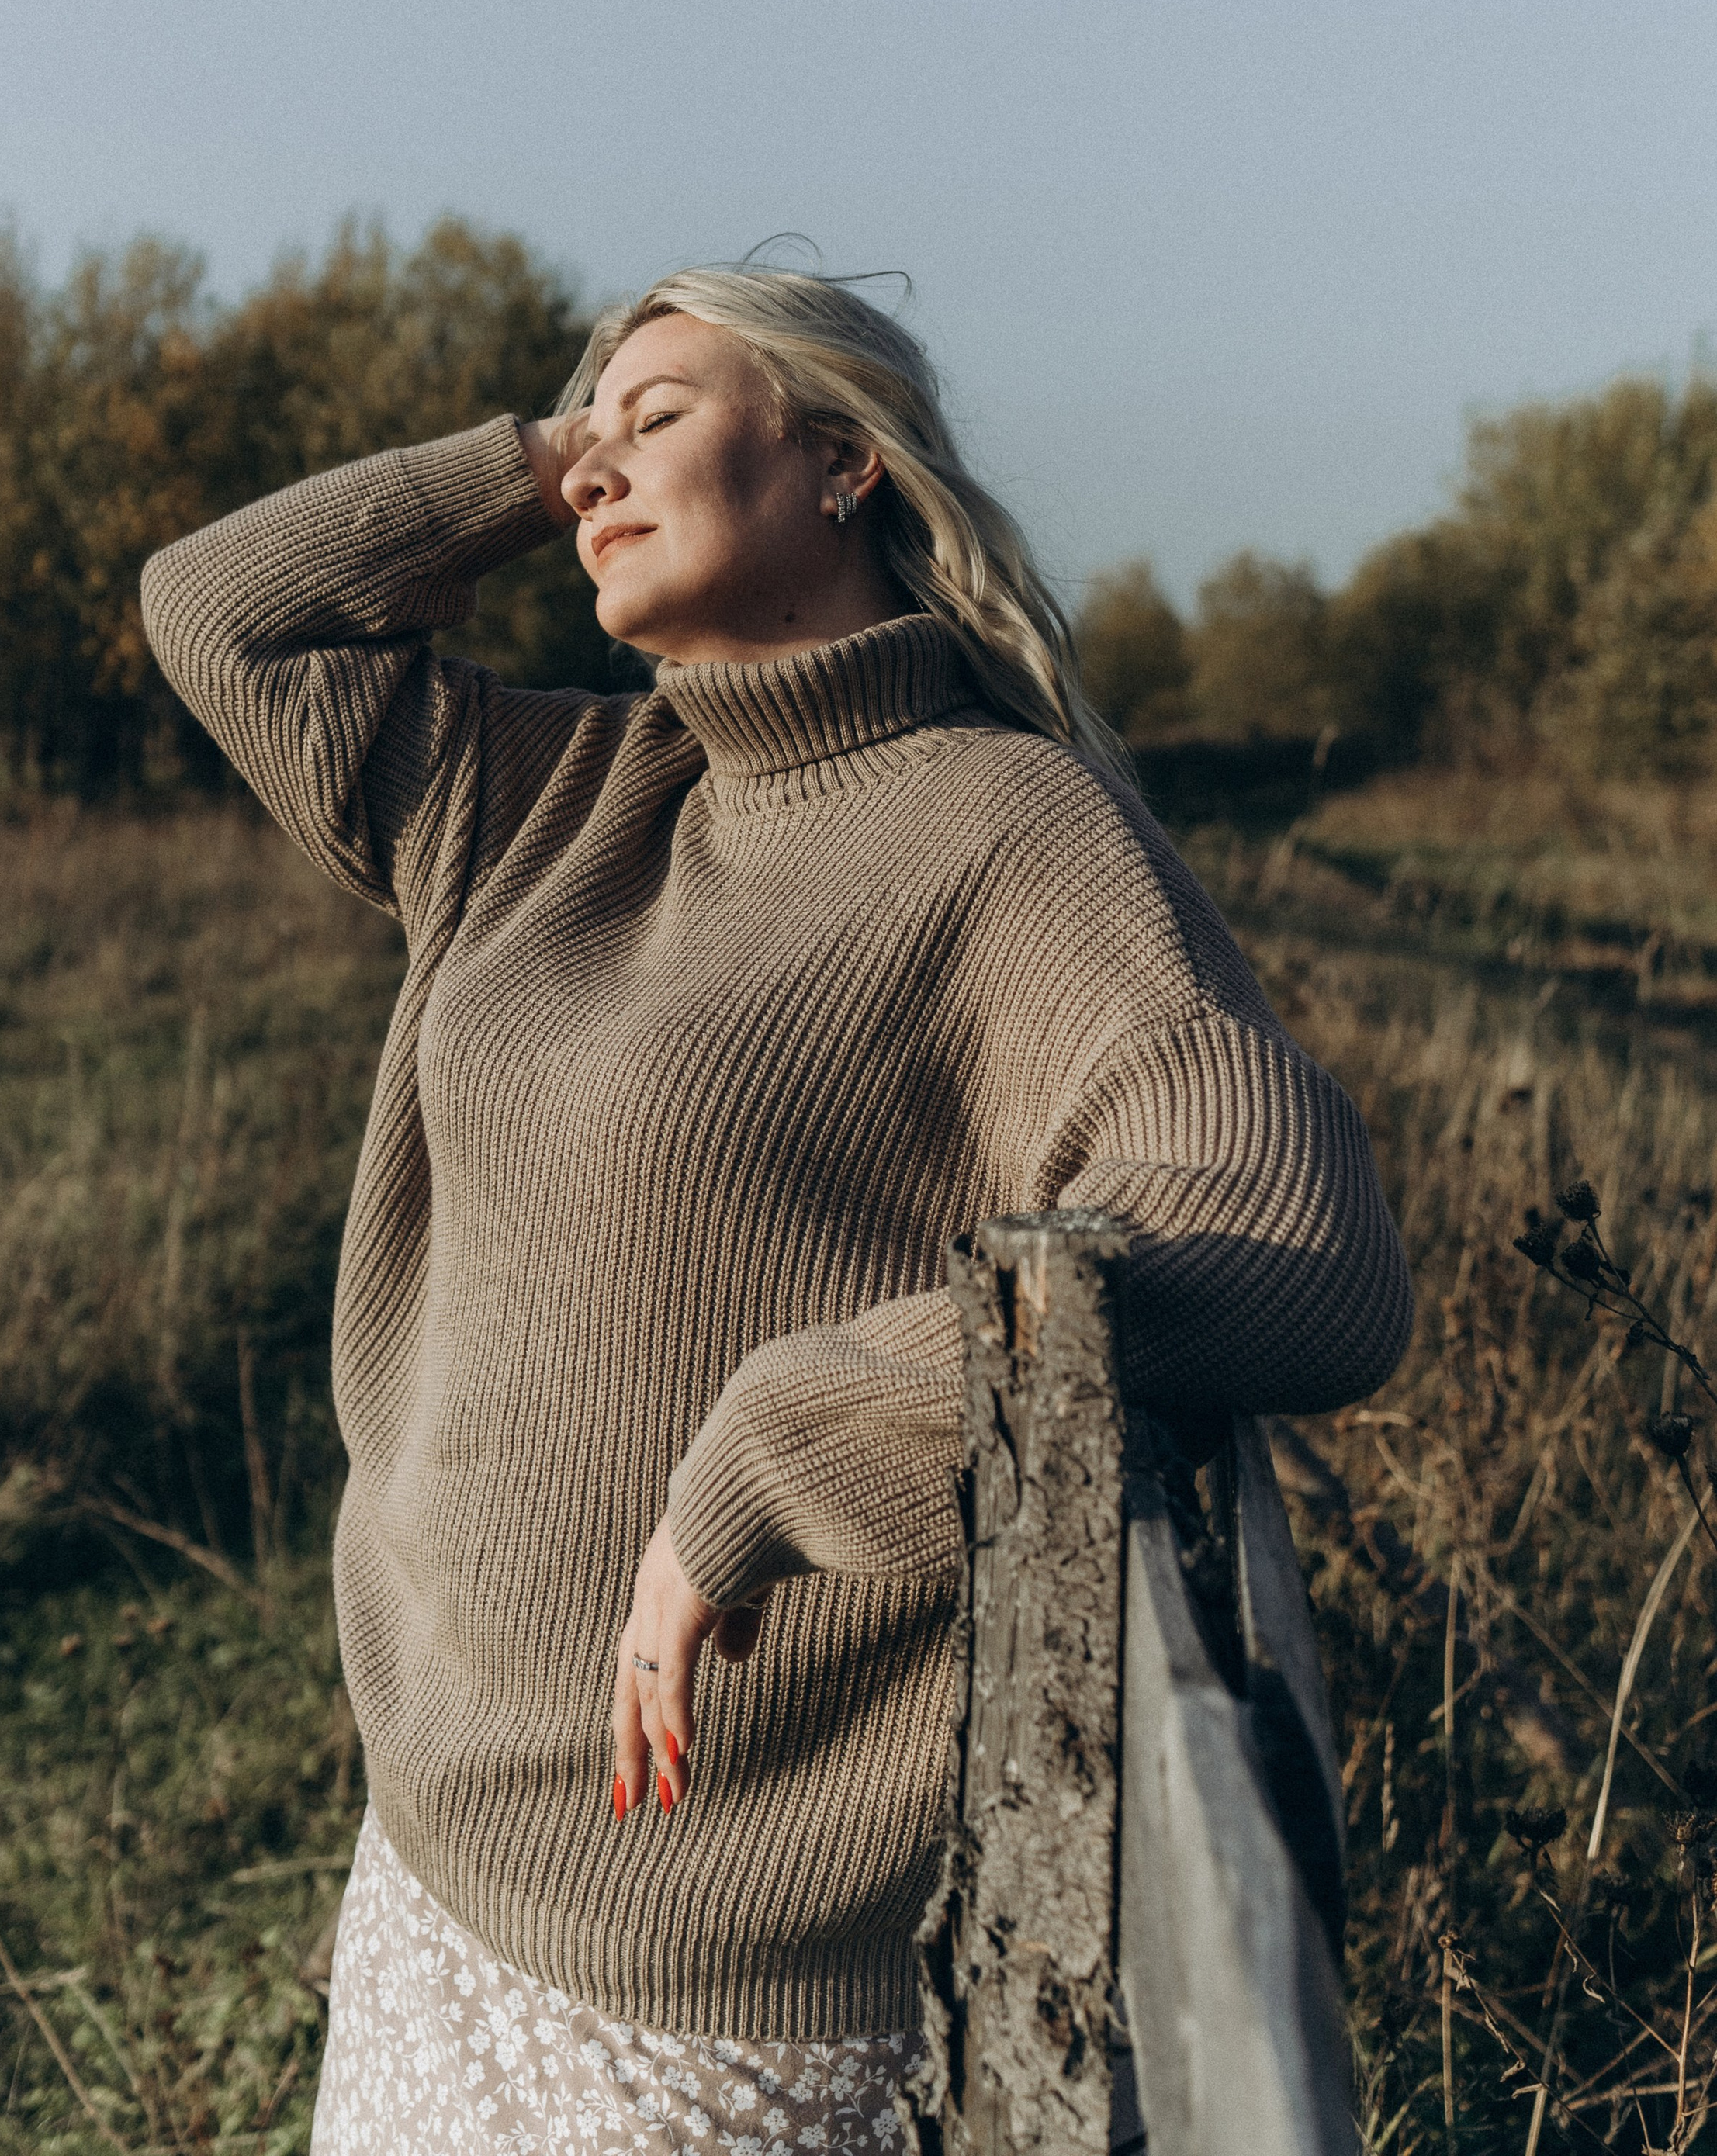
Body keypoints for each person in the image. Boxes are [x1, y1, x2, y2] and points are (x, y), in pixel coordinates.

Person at [141, 263, 1411, 2156]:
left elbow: (1299, 1246)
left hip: (714, 1966)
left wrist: (793, 1437)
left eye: (657, 416)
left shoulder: (1007, 830)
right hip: (433, 1854)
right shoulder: (545, 792)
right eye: (585, 434)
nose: (597, 469)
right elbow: (218, 610)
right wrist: (546, 457)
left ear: (839, 461)